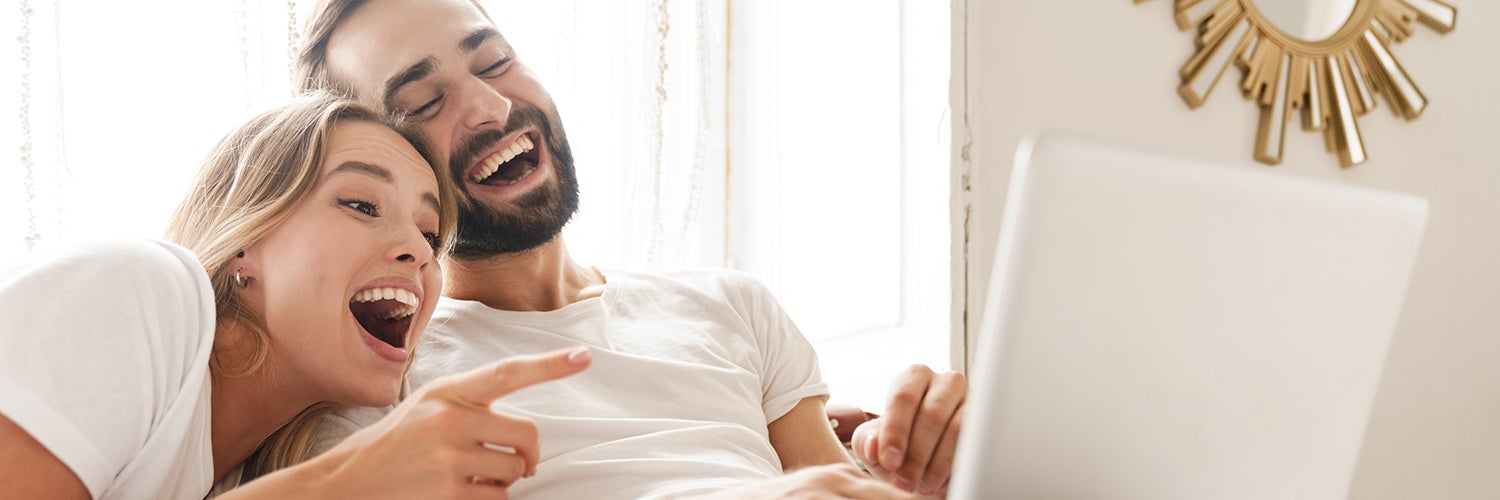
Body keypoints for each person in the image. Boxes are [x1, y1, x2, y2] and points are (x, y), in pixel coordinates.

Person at [297, 0, 967, 498]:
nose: (490, 106)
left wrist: (924, 467)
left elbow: (833, 483)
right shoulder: (383, 378)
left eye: (495, 61)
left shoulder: (730, 305)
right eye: (423, 101)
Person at [0, 91, 591, 499]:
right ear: (245, 241)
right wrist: (338, 484)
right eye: (361, 204)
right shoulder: (140, 289)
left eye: (431, 236)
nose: (417, 249)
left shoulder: (245, 470)